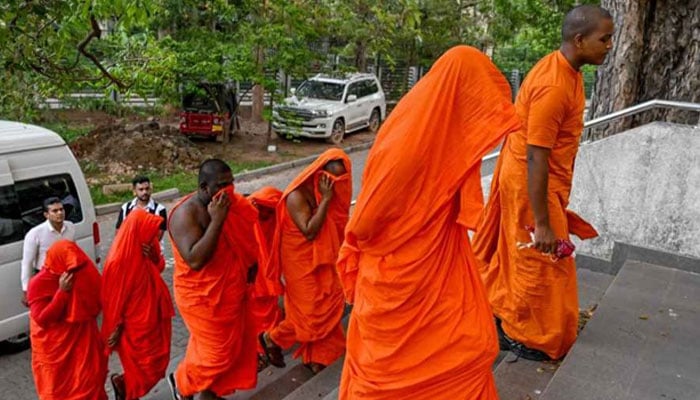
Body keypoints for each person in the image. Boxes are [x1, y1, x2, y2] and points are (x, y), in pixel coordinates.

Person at [336, 46, 521, 399]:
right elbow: (366, 220)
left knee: (469, 349)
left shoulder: (441, 133)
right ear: (458, 97)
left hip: (437, 269)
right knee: (392, 378)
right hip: (398, 277)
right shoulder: (409, 143)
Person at [472, 5, 613, 362]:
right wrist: (544, 222)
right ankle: (524, 335)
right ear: (579, 40)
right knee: (538, 260)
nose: (610, 46)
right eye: (605, 38)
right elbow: (537, 156)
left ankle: (504, 314)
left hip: (533, 179)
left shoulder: (568, 70)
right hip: (530, 183)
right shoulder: (554, 85)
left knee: (524, 257)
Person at [167, 159, 259, 400]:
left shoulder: (228, 203)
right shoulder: (186, 214)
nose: (228, 190)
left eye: (231, 183)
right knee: (216, 354)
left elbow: (243, 238)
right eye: (221, 185)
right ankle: (182, 384)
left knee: (228, 348)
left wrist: (250, 264)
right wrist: (217, 220)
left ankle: (208, 392)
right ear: (204, 187)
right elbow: (196, 260)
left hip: (230, 290)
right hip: (200, 298)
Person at [259, 149, 351, 374]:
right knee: (310, 315)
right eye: (331, 180)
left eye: (340, 180)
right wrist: (327, 199)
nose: (336, 186)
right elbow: (310, 231)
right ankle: (272, 338)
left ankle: (318, 357)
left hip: (325, 259)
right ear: (319, 175)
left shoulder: (330, 193)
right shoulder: (297, 196)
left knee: (328, 304)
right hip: (300, 264)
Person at [101, 209, 174, 400]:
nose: (155, 236)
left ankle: (123, 384)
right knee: (143, 366)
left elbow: (159, 267)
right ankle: (127, 390)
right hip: (133, 324)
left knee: (158, 362)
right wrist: (115, 327)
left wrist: (153, 257)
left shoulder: (148, 246)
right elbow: (113, 301)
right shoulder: (117, 261)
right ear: (137, 230)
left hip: (154, 315)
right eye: (150, 231)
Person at [27, 239, 107, 400]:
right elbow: (42, 319)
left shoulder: (78, 272)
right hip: (54, 352)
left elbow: (98, 296)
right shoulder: (38, 283)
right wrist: (62, 293)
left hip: (82, 343)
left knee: (89, 383)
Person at [247, 186, 284, 371]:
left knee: (269, 312)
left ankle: (265, 346)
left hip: (268, 275)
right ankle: (260, 350)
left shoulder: (277, 214)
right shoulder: (247, 218)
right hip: (255, 279)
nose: (264, 214)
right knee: (257, 316)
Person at [21, 197, 76, 306]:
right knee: (49, 310)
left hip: (66, 276)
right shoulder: (35, 233)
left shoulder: (70, 227)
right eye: (55, 211)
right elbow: (27, 263)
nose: (59, 213)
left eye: (61, 209)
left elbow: (74, 250)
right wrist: (26, 290)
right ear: (46, 215)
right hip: (45, 277)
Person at [116, 176, 168, 240]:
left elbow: (159, 235)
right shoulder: (125, 208)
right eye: (141, 189)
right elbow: (119, 232)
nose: (145, 192)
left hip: (152, 248)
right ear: (134, 191)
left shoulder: (160, 209)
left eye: (147, 189)